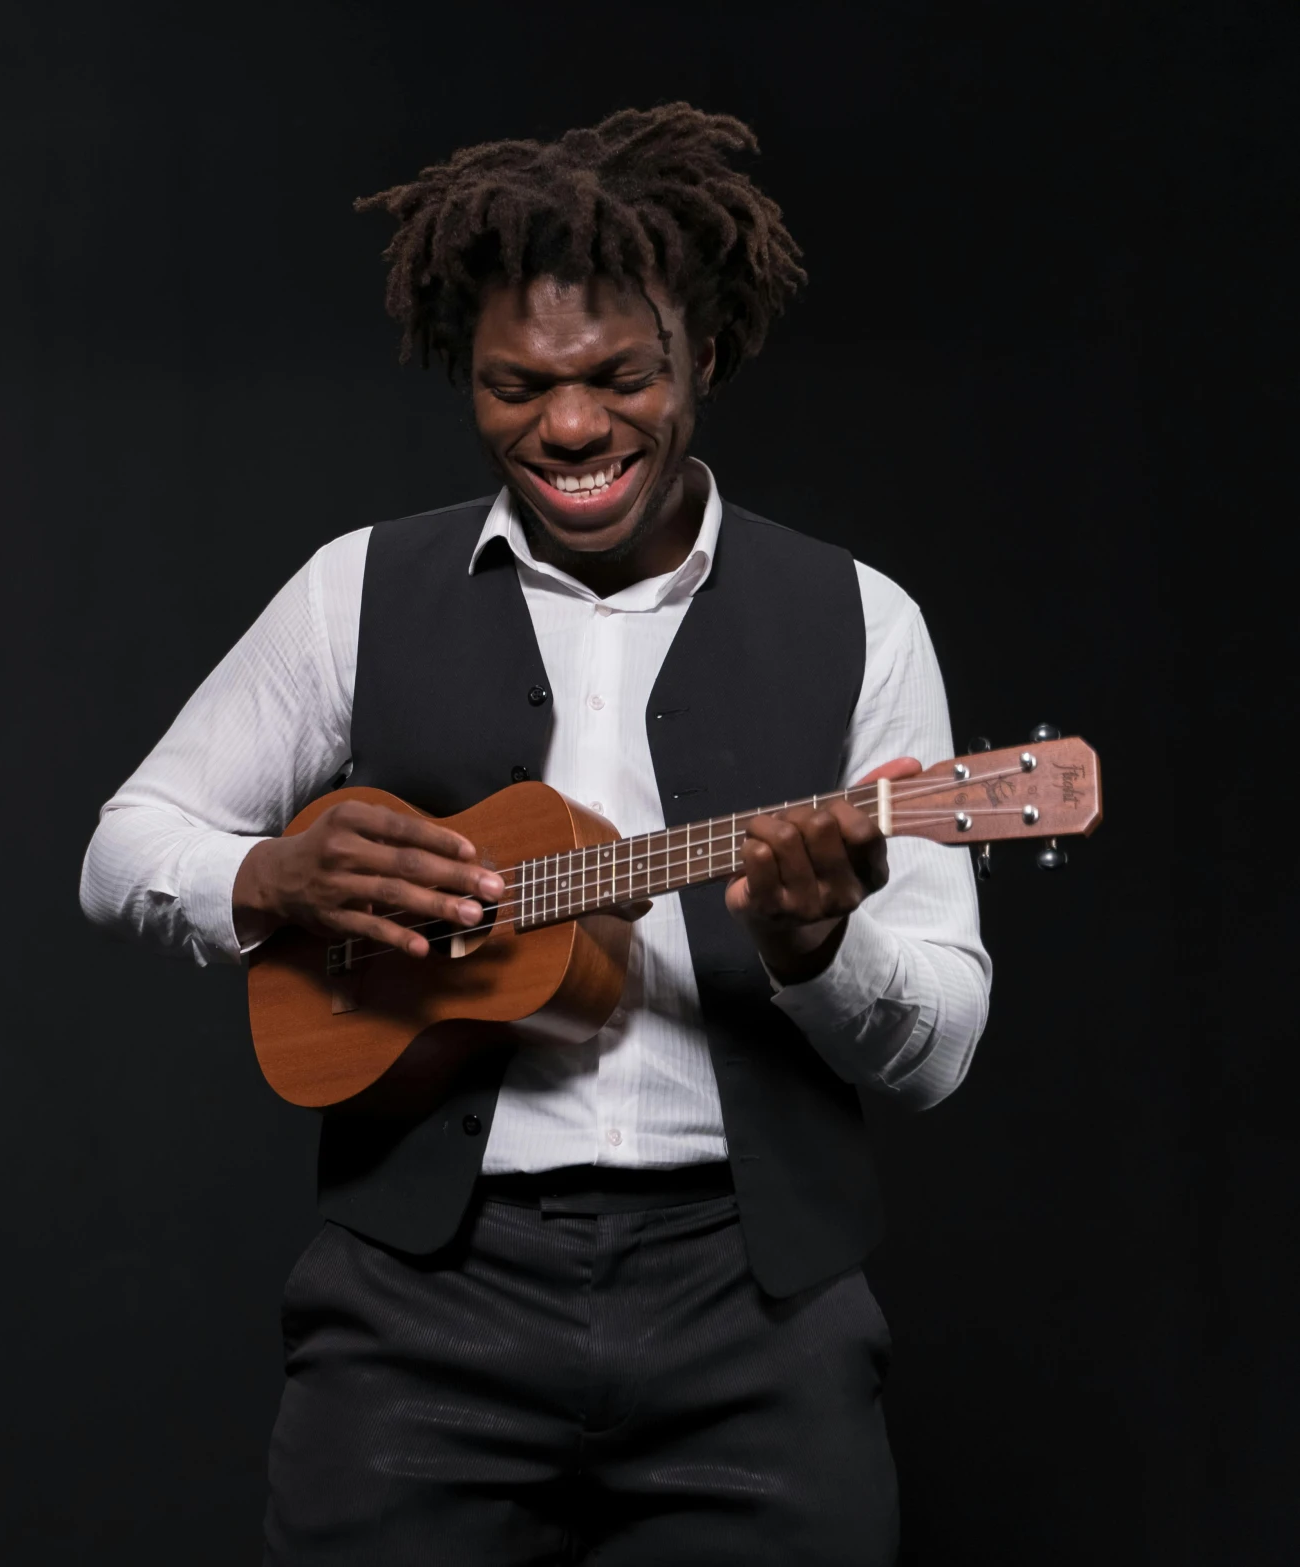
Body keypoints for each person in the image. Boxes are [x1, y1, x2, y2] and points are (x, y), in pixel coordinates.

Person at [78, 105, 989, 1563]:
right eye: (515, 386)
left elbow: (940, 1041)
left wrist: (818, 952)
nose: (568, 427)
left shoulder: (860, 620)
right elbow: (124, 845)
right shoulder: (351, 591)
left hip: (754, 1316)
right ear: (466, 375)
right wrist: (262, 873)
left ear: (702, 351)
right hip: (418, 1306)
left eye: (619, 375)